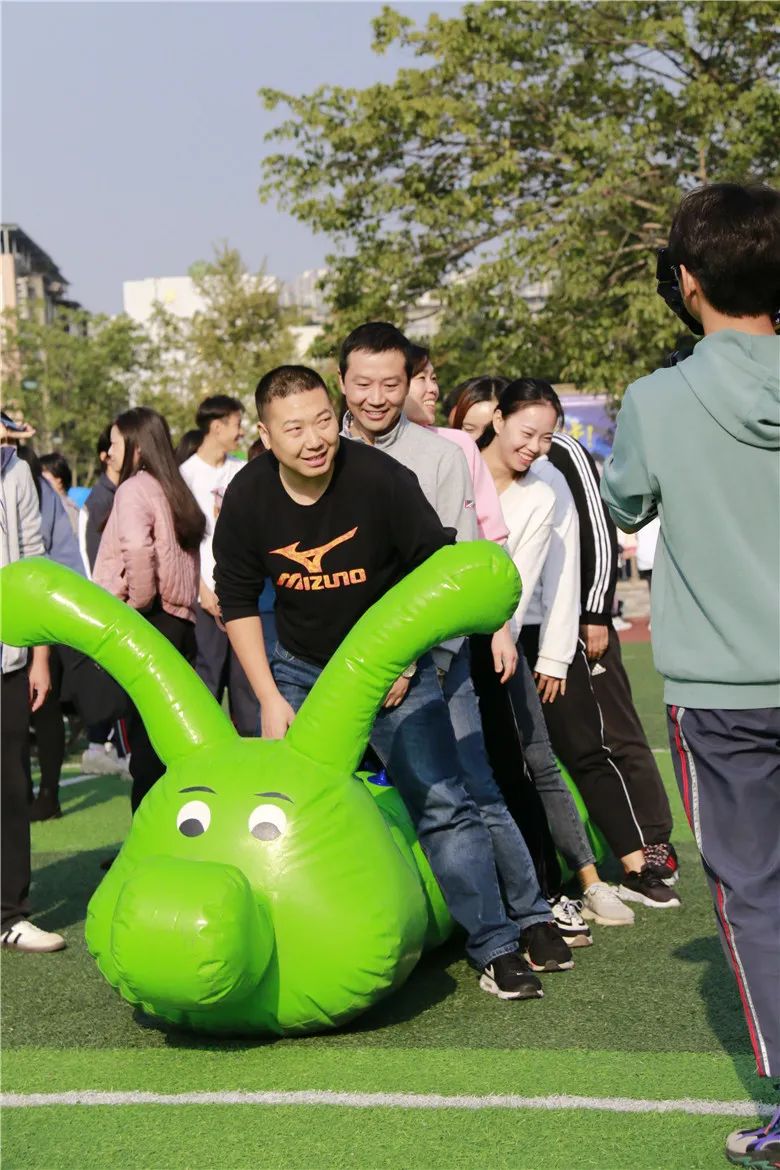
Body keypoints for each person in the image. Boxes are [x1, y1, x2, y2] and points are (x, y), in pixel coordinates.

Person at [214, 363, 552, 999]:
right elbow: (235, 599)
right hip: (297, 669)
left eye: (323, 421)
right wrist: (266, 697)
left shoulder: (380, 478)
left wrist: (402, 658)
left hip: (395, 665)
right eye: (295, 428)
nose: (315, 438)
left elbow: (437, 573)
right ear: (263, 435)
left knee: (444, 802)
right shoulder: (248, 495)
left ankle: (496, 945)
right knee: (291, 815)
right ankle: (296, 943)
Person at [601, 181, 780, 1167]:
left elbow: (625, 503)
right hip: (726, 690)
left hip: (722, 694)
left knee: (754, 896)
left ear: (686, 280)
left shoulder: (659, 400)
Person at [338, 324, 572, 973]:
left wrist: (422, 660)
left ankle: (530, 917)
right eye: (365, 385)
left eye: (392, 383)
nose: (378, 397)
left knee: (476, 787)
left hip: (439, 658)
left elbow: (458, 569)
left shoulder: (444, 454)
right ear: (343, 384)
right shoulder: (322, 452)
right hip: (357, 666)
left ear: (409, 382)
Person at [478, 380, 639, 926]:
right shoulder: (453, 467)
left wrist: (550, 654)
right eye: (529, 433)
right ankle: (528, 894)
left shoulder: (544, 490)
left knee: (542, 757)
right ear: (496, 420)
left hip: (512, 632)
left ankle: (587, 879)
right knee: (488, 767)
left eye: (547, 438)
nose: (537, 447)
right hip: (445, 640)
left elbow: (532, 579)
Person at [546, 433, 677, 882]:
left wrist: (596, 610)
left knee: (615, 729)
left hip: (582, 621)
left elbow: (599, 531)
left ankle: (655, 839)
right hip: (529, 630)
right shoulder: (471, 453)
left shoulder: (561, 449)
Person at [94, 407, 204, 812]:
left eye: (117, 442)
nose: (110, 451)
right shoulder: (173, 487)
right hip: (180, 621)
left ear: (137, 447)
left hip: (149, 617)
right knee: (169, 738)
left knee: (144, 743)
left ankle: (145, 839)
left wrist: (136, 603)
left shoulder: (134, 489)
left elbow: (137, 549)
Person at [0, 426, 64, 952]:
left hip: (9, 660)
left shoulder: (16, 471)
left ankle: (10, 915)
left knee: (10, 787)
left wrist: (40, 655)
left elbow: (33, 564)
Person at [180, 395, 259, 737]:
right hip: (201, 598)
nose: (241, 431)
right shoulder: (184, 476)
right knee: (206, 683)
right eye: (236, 423)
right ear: (217, 426)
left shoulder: (241, 472)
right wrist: (202, 592)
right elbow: (180, 544)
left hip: (240, 597)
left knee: (247, 689)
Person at [15, 447, 86, 822]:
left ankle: (45, 793)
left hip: (40, 618)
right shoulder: (34, 486)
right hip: (31, 617)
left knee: (42, 708)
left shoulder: (41, 494)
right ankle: (32, 792)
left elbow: (62, 559)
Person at [81, 427, 130, 775]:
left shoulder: (126, 493)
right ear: (105, 456)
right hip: (110, 604)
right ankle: (112, 749)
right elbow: (91, 562)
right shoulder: (98, 500)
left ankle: (108, 746)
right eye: (112, 445)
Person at [39, 451, 80, 537]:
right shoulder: (48, 503)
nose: (39, 478)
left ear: (58, 478)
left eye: (43, 472)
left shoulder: (68, 507)